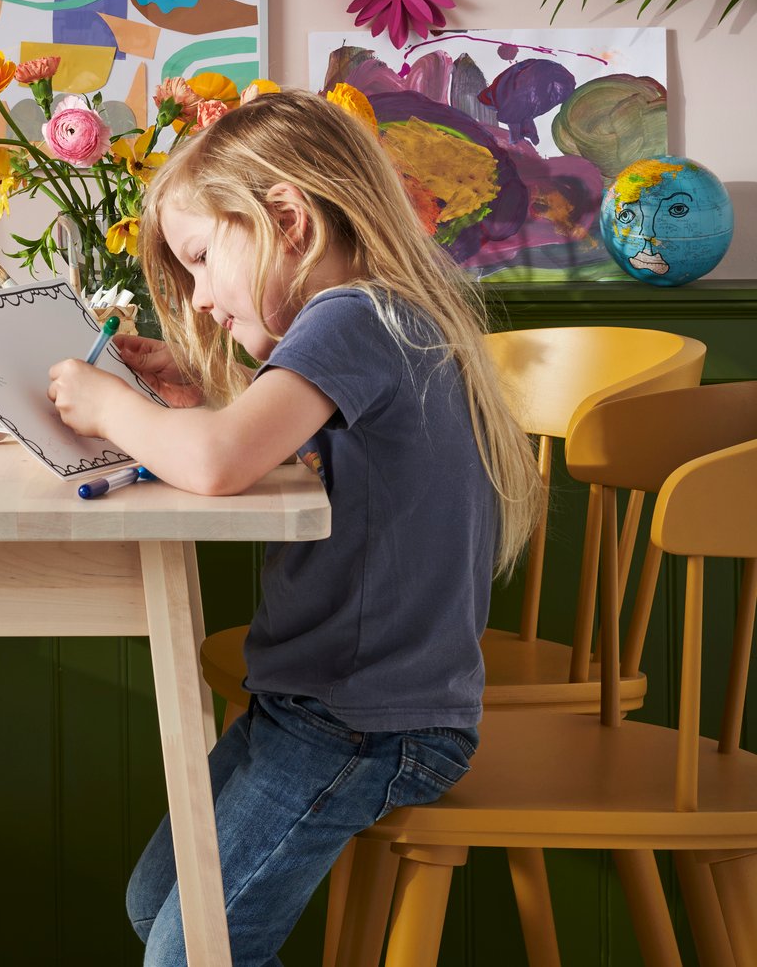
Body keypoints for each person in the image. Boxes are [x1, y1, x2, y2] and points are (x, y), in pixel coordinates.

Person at [46, 89, 543, 965]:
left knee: (191, 949)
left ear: (288, 221)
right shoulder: (375, 316)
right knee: (157, 903)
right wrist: (195, 402)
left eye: (200, 260)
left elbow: (216, 463)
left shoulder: (353, 317)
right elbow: (260, 445)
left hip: (366, 718)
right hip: (317, 702)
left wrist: (110, 407)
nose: (197, 300)